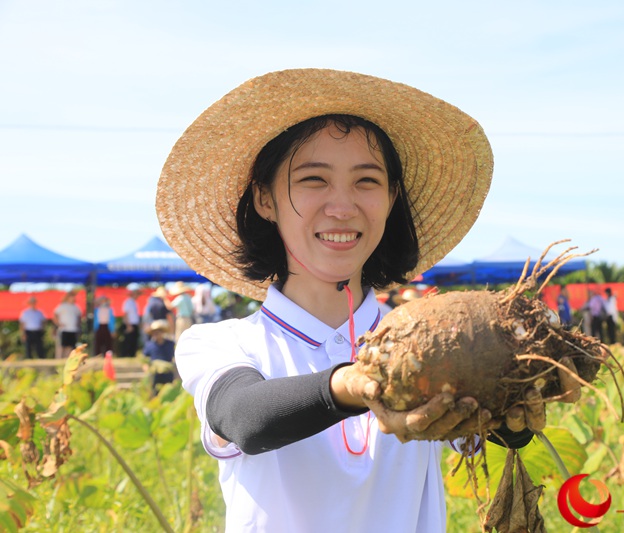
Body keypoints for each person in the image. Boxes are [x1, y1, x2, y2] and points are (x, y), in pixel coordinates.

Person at [156, 69, 556, 532]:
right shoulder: (221, 343)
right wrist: (360, 383)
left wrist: (515, 408)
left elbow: (495, 425)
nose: (342, 206)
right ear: (265, 199)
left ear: (391, 199)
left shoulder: (428, 340)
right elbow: (245, 418)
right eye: (313, 180)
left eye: (366, 181)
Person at [142, 319, 176, 394]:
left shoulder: (170, 344)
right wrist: (147, 369)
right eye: (154, 333)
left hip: (168, 373)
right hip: (155, 374)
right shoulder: (149, 345)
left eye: (158, 332)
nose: (156, 335)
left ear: (162, 332)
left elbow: (175, 357)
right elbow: (145, 359)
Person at [52, 290, 82, 359]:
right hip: (64, 330)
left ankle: (69, 359)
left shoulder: (76, 307)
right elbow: (55, 315)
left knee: (72, 347)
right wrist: (59, 324)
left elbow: (79, 317)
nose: (73, 298)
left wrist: (78, 324)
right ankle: (60, 360)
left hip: (73, 330)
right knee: (63, 346)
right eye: (71, 297)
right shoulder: (62, 306)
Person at [121, 285, 141, 357]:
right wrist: (128, 325)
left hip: (134, 324)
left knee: (133, 341)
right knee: (128, 341)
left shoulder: (134, 303)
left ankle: (132, 354)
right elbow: (126, 314)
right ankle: (126, 355)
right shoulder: (128, 302)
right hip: (130, 324)